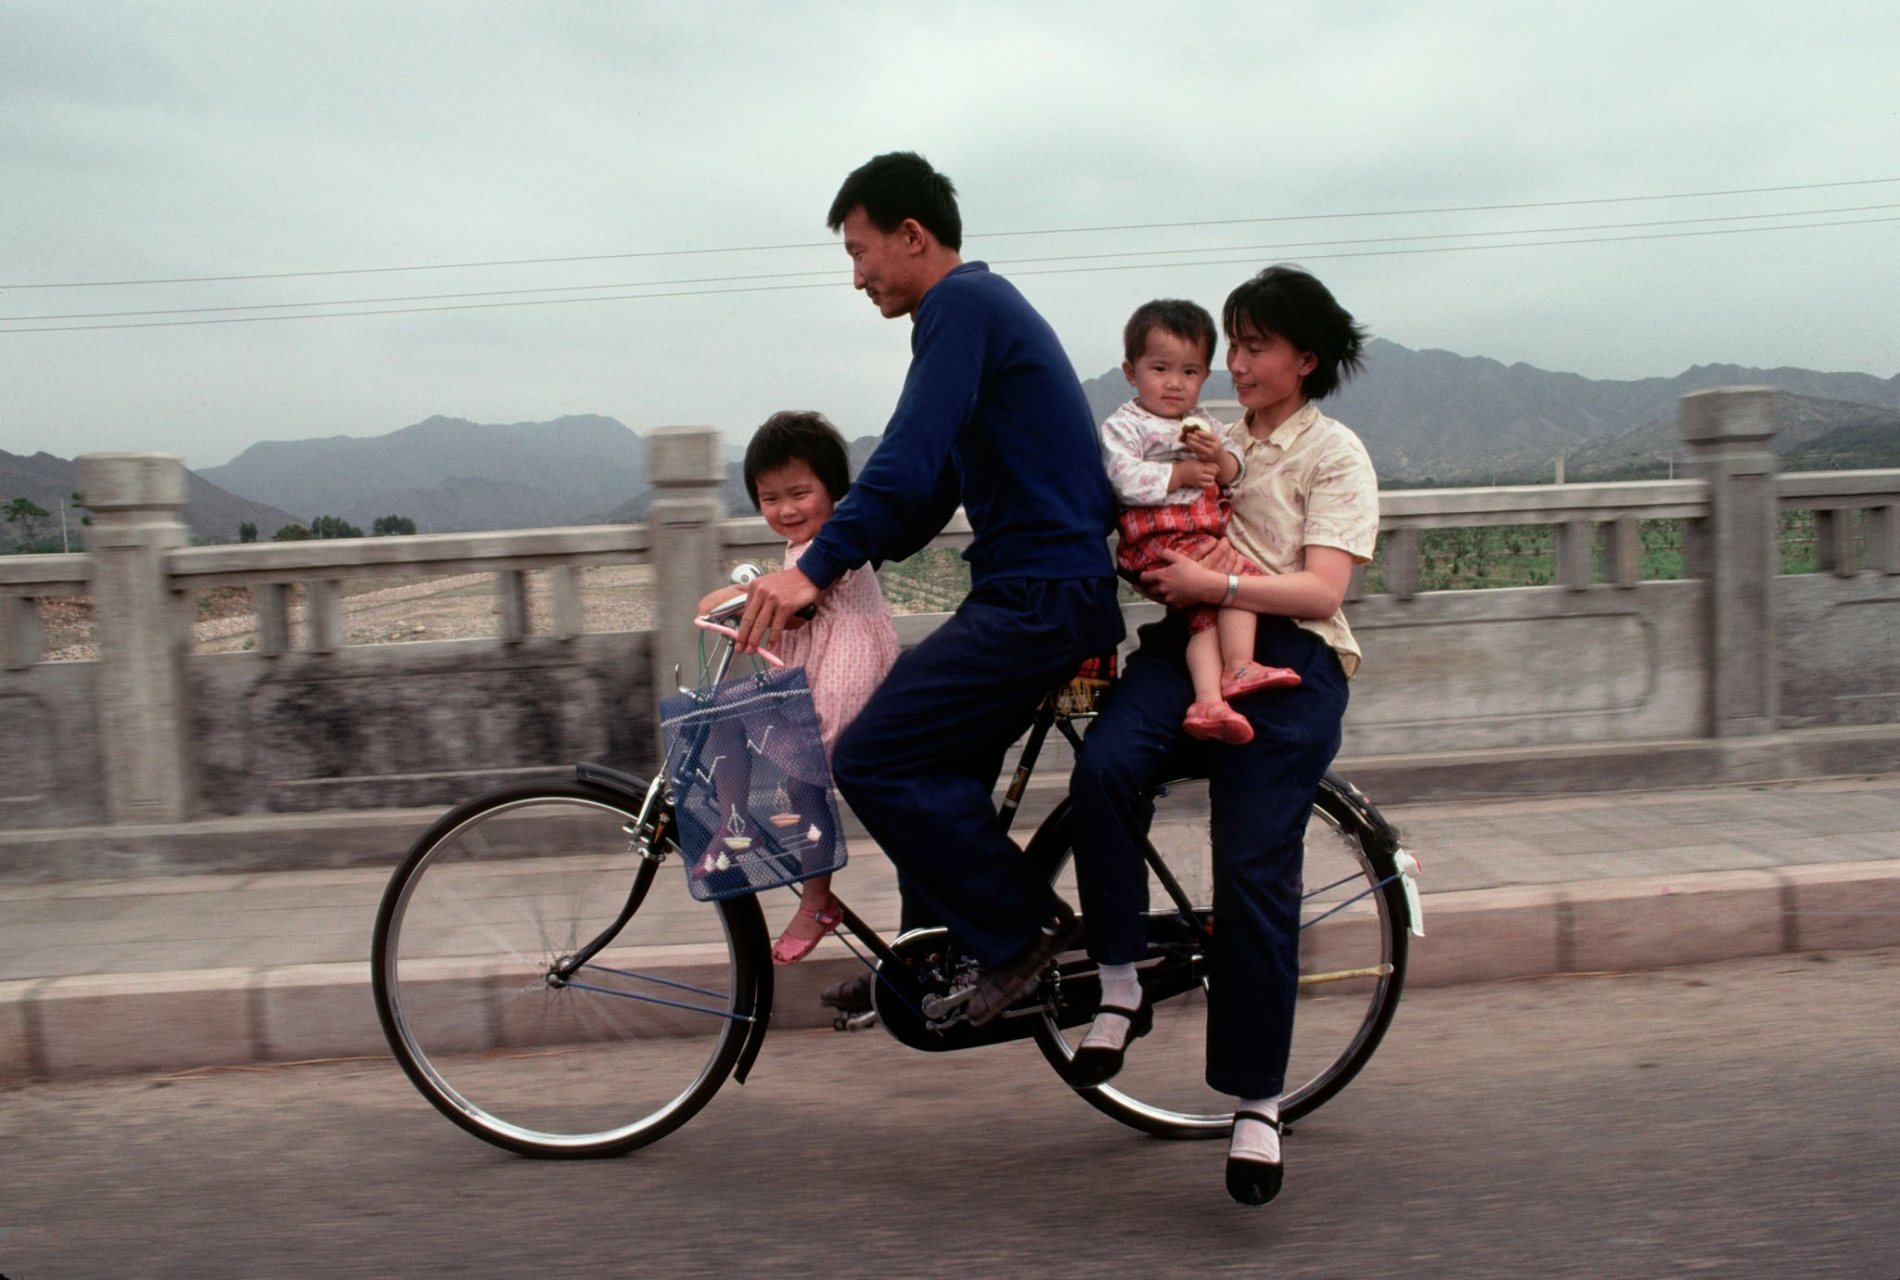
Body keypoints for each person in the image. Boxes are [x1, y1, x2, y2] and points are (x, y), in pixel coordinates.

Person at [732, 151, 1125, 1025]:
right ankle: (929, 959)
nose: (857, 275)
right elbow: (931, 487)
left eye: (860, 252)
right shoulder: (976, 312)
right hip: (1035, 590)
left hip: (1040, 596)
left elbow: (907, 458)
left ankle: (1019, 935)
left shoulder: (960, 307)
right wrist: (831, 573)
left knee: (873, 756)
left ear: (913, 236)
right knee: (933, 767)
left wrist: (814, 568)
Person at [1067, 265, 1376, 1207]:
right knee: (1104, 773)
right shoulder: (1202, 439)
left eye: (1253, 347)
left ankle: (1257, 1101)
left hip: (1294, 660)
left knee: (1249, 867)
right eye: (1229, 348)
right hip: (1184, 643)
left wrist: (1220, 587)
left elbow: (1324, 591)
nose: (1233, 365)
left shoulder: (1337, 455)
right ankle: (1117, 981)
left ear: (1305, 359)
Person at [695, 411, 900, 965]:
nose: (785, 510)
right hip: (812, 666)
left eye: (800, 493)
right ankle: (739, 823)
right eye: (769, 498)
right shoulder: (798, 550)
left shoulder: (834, 545)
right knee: (724, 714)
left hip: (844, 670)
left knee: (803, 770)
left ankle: (815, 899)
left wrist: (722, 602)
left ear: (834, 491)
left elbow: (794, 614)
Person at [1101, 298, 1301, 746]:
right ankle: (1239, 666)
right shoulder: (1126, 426)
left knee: (1206, 616)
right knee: (1241, 580)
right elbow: (1123, 480)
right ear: (1132, 372)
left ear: (1204, 378)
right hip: (1159, 539)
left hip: (1196, 536)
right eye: (1160, 370)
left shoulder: (1206, 423)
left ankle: (1209, 701)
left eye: (1189, 372)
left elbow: (1235, 468)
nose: (1175, 384)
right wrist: (1182, 473)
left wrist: (1220, 461)